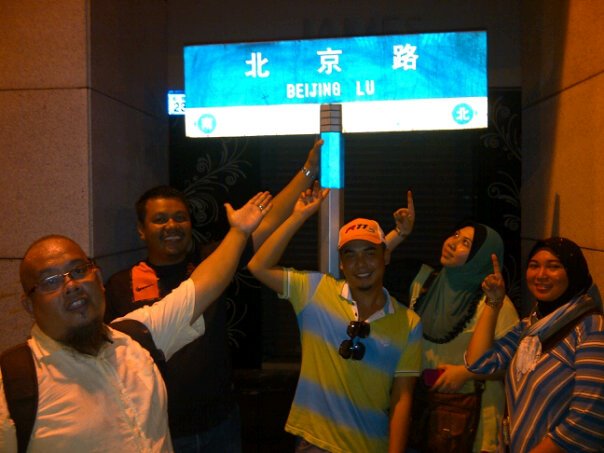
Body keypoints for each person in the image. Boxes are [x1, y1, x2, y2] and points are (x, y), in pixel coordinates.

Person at [0, 192, 272, 452]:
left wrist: (239, 232)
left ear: (98, 279)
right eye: (50, 281)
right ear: (29, 305)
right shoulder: (13, 386)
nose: (71, 285)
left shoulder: (136, 336)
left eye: (79, 270)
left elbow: (205, 284)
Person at [103, 139, 322, 452]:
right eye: (160, 219)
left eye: (180, 217)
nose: (172, 226)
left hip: (220, 423)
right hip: (162, 430)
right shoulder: (120, 284)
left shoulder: (211, 265)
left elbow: (266, 222)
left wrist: (309, 169)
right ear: (141, 229)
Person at [247, 185, 423, 453]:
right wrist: (298, 216)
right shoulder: (315, 292)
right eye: (350, 254)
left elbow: (402, 399)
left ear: (386, 256)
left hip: (372, 445)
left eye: (369, 252)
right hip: (316, 444)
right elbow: (258, 266)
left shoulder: (408, 322)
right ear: (341, 263)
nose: (360, 263)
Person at [386, 219, 518, 452]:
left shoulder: (496, 303)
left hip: (474, 425)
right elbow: (369, 266)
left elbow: (515, 366)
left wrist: (465, 373)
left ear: (481, 257)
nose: (453, 243)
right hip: (426, 417)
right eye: (455, 235)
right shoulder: (423, 282)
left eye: (465, 243)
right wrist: (399, 233)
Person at [467, 237, 604, 452]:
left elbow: (588, 419)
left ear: (573, 273)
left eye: (553, 267)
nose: (540, 275)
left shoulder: (591, 328)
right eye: (534, 266)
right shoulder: (531, 325)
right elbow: (479, 363)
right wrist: (493, 302)